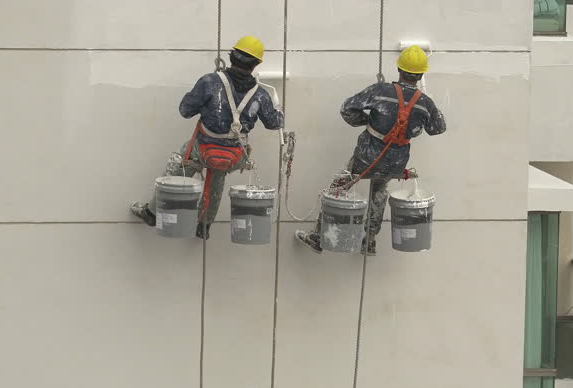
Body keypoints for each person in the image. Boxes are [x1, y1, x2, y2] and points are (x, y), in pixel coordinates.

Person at [295, 45, 446, 255]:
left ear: (399, 69)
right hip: (395, 162)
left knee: (339, 186)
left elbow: (347, 109)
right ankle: (369, 241)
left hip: (367, 156)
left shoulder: (380, 91)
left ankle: (319, 238)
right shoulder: (425, 102)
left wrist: (367, 122)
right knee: (380, 190)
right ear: (421, 75)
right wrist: (424, 106)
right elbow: (438, 128)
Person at [130, 35, 285, 239]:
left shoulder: (210, 82)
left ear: (232, 56)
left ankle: (152, 212)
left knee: (181, 162)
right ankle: (204, 226)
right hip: (235, 155)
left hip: (203, 149)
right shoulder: (261, 94)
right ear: (256, 64)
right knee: (217, 175)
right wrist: (278, 111)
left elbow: (185, 110)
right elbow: (275, 123)